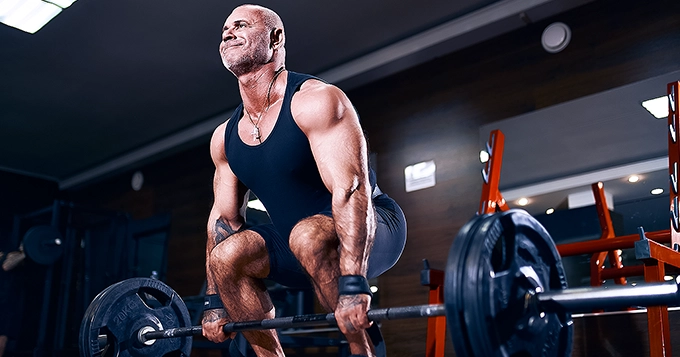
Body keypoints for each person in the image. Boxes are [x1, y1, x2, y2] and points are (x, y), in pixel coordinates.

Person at [201, 4, 407, 357]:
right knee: (227, 255)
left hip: (370, 225)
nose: (228, 33)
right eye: (224, 30)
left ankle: (366, 350)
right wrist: (214, 298)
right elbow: (223, 221)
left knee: (307, 235)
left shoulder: (316, 101)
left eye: (241, 25)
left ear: (275, 38)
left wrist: (354, 285)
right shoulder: (225, 138)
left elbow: (350, 189)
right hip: (296, 242)